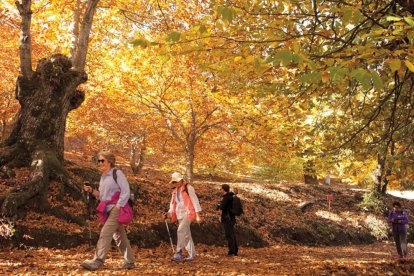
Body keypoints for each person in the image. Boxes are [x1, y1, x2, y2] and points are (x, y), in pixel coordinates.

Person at [81, 151, 135, 271]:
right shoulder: (103, 177)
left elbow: (125, 190)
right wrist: (91, 190)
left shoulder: (117, 173)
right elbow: (102, 197)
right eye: (98, 161)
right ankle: (130, 262)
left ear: (110, 162)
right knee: (119, 236)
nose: (100, 163)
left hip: (117, 209)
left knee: (105, 233)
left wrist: (118, 205)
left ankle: (98, 261)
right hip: (108, 210)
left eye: (102, 161)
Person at [165, 172, 202, 262]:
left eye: (176, 181)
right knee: (186, 235)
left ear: (181, 180)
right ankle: (191, 255)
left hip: (188, 213)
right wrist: (168, 213)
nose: (175, 183)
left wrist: (198, 215)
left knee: (180, 230)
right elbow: (173, 204)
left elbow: (195, 201)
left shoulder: (188, 188)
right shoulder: (174, 192)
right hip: (179, 214)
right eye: (174, 182)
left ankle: (178, 252)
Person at [217, 184, 238, 256]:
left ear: (223, 189)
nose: (220, 190)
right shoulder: (230, 196)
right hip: (231, 218)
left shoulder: (226, 198)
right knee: (232, 235)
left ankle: (231, 252)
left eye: (221, 189)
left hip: (227, 219)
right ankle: (234, 251)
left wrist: (220, 204)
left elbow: (222, 207)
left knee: (229, 235)